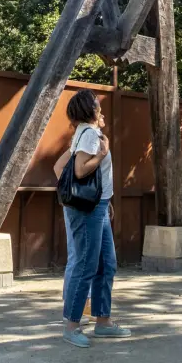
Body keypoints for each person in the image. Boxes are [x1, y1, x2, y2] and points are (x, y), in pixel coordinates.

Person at [61, 88, 131, 349]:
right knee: (86, 265)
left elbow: (62, 168)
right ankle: (72, 326)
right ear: (89, 109)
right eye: (96, 103)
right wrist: (102, 154)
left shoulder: (83, 133)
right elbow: (80, 171)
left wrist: (104, 200)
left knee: (106, 263)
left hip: (97, 206)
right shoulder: (90, 134)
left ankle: (103, 321)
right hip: (89, 210)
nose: (100, 106)